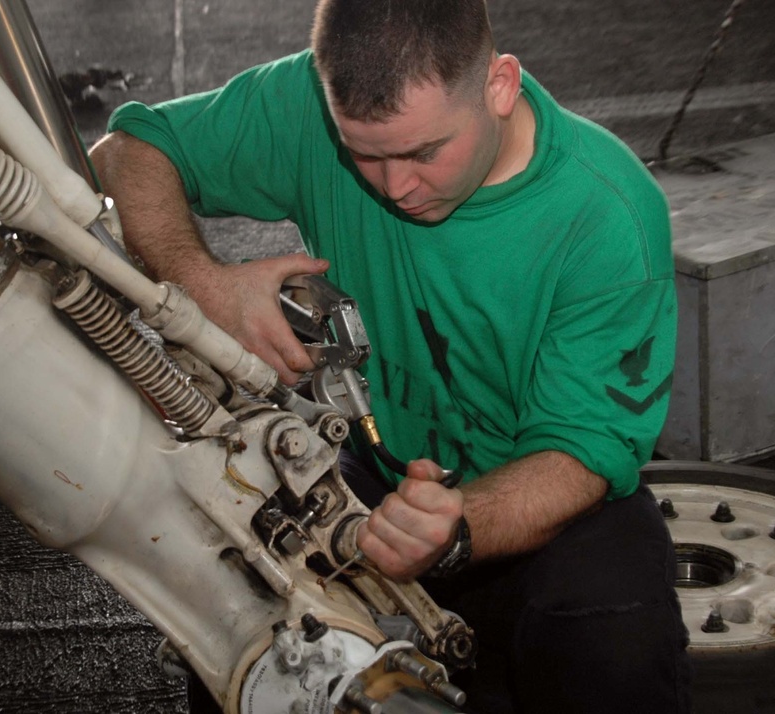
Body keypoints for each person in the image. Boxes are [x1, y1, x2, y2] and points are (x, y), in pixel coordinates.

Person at [90, 0, 692, 711]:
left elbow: (580, 451)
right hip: (377, 468)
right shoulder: (306, 104)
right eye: (363, 156)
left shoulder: (608, 214)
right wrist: (204, 285)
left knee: (616, 648)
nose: (394, 187)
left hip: (541, 494)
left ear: (500, 86)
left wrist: (456, 527)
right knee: (247, 620)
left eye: (423, 152)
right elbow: (125, 152)